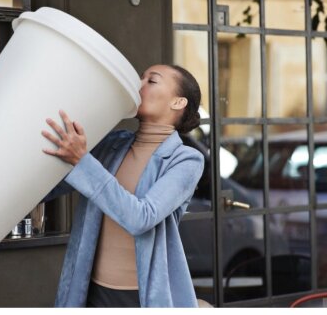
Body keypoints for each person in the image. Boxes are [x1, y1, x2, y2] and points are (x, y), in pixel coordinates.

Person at [40, 64, 204, 307]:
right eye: (141, 78)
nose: (139, 84)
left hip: (141, 297)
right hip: (89, 291)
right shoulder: (113, 144)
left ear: (178, 102)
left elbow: (141, 218)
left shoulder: (186, 160)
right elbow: (51, 186)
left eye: (152, 81)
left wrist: (82, 161)